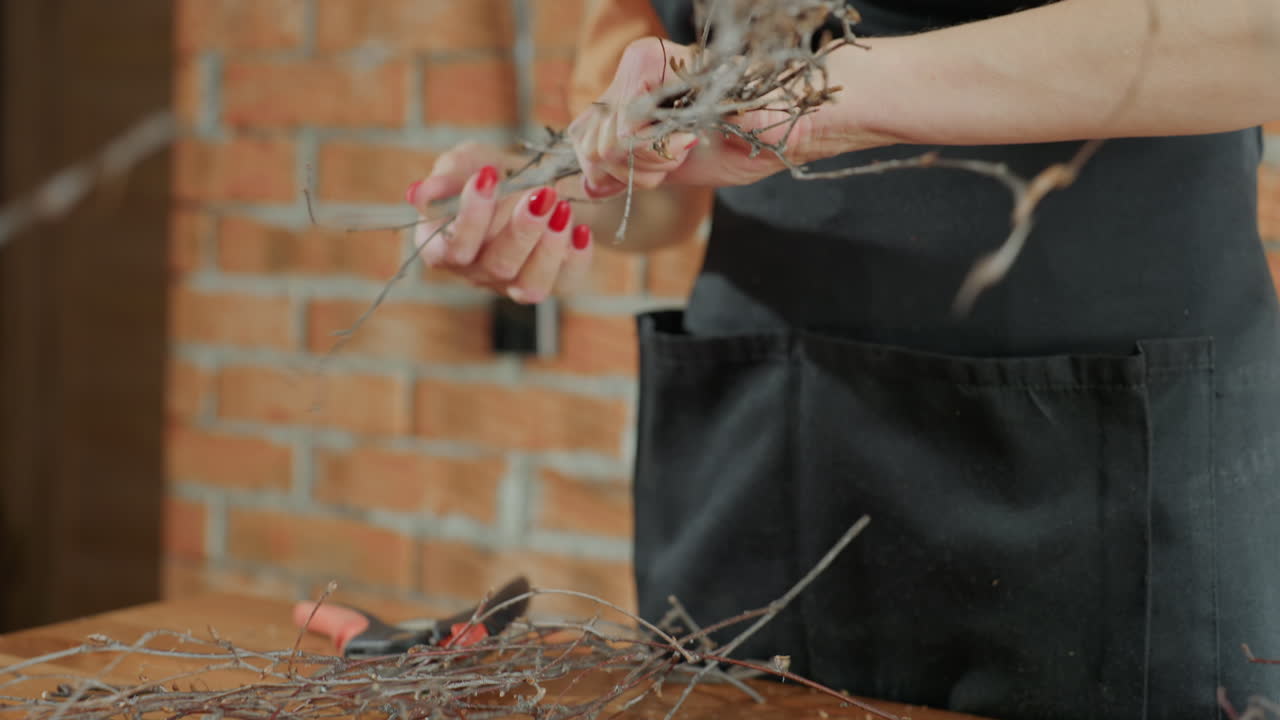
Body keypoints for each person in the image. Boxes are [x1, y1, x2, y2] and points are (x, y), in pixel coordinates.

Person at [405, 1, 1280, 717]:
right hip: (768, 448)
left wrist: (832, 95)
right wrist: (539, 193)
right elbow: (651, 168)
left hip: (1115, 447)